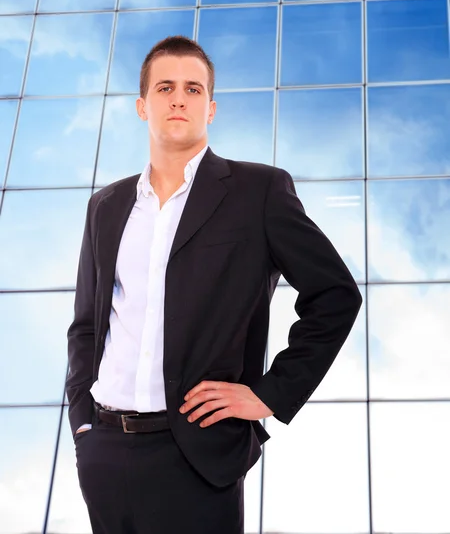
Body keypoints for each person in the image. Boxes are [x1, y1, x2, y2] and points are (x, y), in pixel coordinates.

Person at [66, 35, 362, 534]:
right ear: (143, 106)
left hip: (200, 453)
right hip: (105, 451)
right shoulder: (107, 206)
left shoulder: (258, 192)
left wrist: (270, 395)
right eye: (164, 87)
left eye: (193, 89)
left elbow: (334, 294)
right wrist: (83, 423)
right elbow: (87, 325)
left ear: (211, 107)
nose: (178, 98)